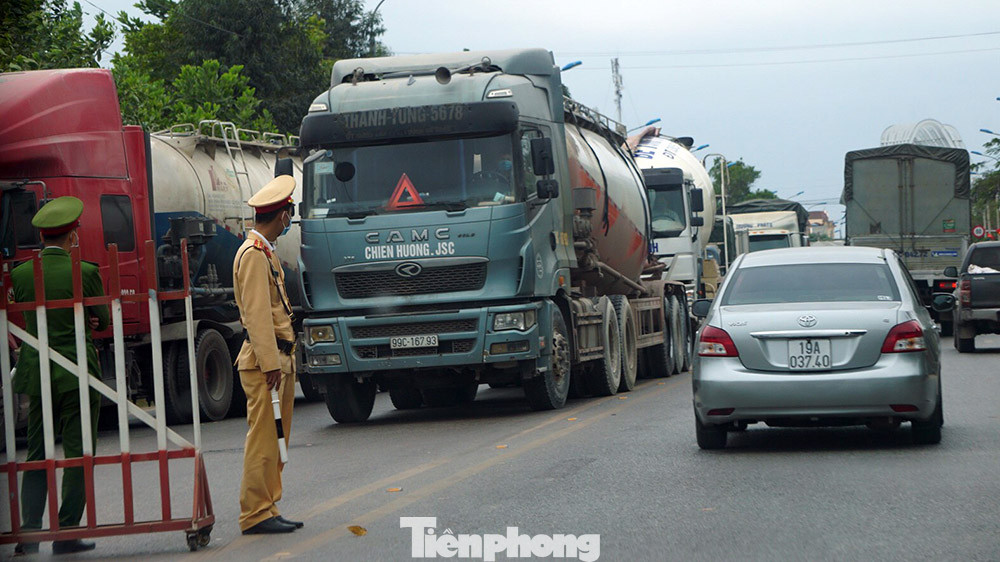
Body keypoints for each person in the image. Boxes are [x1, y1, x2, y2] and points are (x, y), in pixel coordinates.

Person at [11, 196, 108, 555]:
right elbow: (102, 319)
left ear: (42, 238)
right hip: (77, 374)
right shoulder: (84, 272)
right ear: (73, 236)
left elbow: (24, 320)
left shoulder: (21, 275)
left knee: (37, 452)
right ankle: (67, 531)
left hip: (38, 375)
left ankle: (29, 533)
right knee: (79, 452)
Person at [233, 175, 301, 535]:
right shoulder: (252, 256)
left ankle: (268, 506)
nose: (289, 220)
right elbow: (258, 316)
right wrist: (271, 365)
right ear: (282, 216)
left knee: (277, 440)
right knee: (263, 439)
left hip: (277, 360)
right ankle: (255, 512)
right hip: (265, 363)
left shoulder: (264, 252)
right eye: (288, 214)